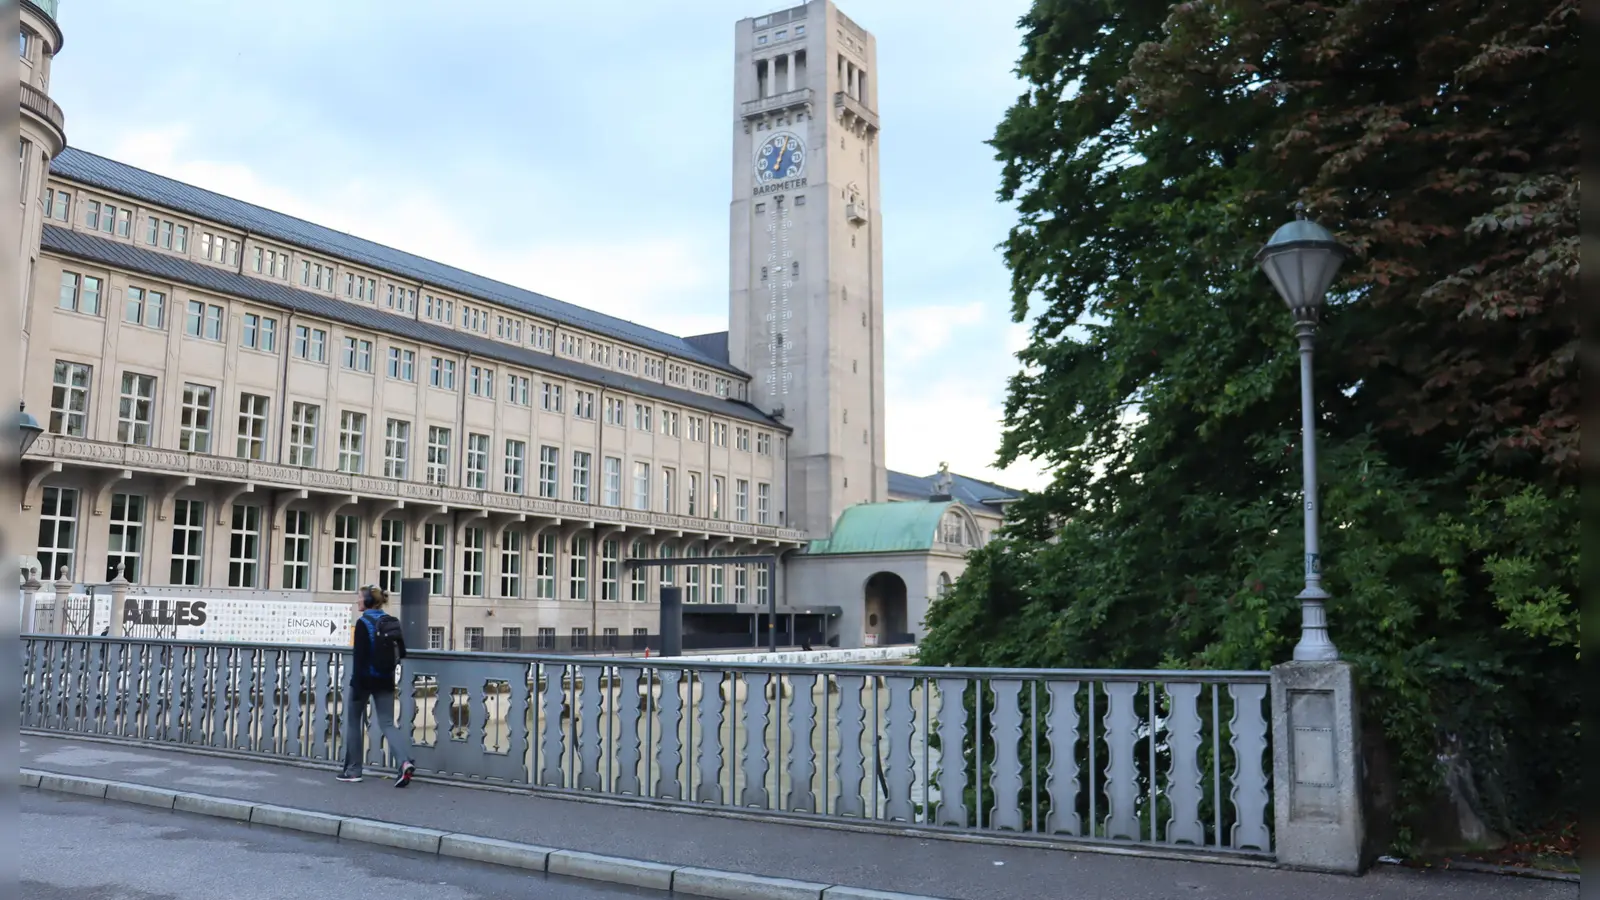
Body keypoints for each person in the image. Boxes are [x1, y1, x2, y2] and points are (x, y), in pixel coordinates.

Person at [338, 585, 417, 787]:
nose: (357, 601)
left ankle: (354, 770)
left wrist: (356, 685)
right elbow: (403, 652)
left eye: (359, 598)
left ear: (367, 602)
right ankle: (404, 761)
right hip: (386, 679)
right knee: (388, 724)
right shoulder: (391, 622)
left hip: (364, 681)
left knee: (353, 722)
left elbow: (359, 658)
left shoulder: (363, 623)